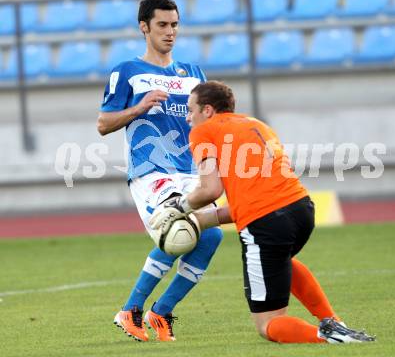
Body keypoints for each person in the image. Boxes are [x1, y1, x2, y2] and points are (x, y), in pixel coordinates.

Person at [151, 81, 375, 343]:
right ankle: (334, 322)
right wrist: (200, 221)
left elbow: (210, 190)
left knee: (268, 323)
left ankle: (328, 336)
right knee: (281, 261)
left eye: (190, 110)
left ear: (208, 110)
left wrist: (178, 206)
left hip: (268, 222)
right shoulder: (256, 124)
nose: (188, 117)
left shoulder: (204, 131)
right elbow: (253, 199)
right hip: (302, 209)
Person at [96, 0, 223, 342]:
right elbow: (104, 124)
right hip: (151, 168)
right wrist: (139, 107)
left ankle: (161, 312)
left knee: (211, 235)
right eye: (163, 25)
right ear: (144, 27)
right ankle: (131, 310)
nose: (171, 32)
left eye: (175, 25)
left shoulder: (193, 73)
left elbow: (206, 123)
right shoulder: (127, 72)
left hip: (190, 168)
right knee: (177, 230)